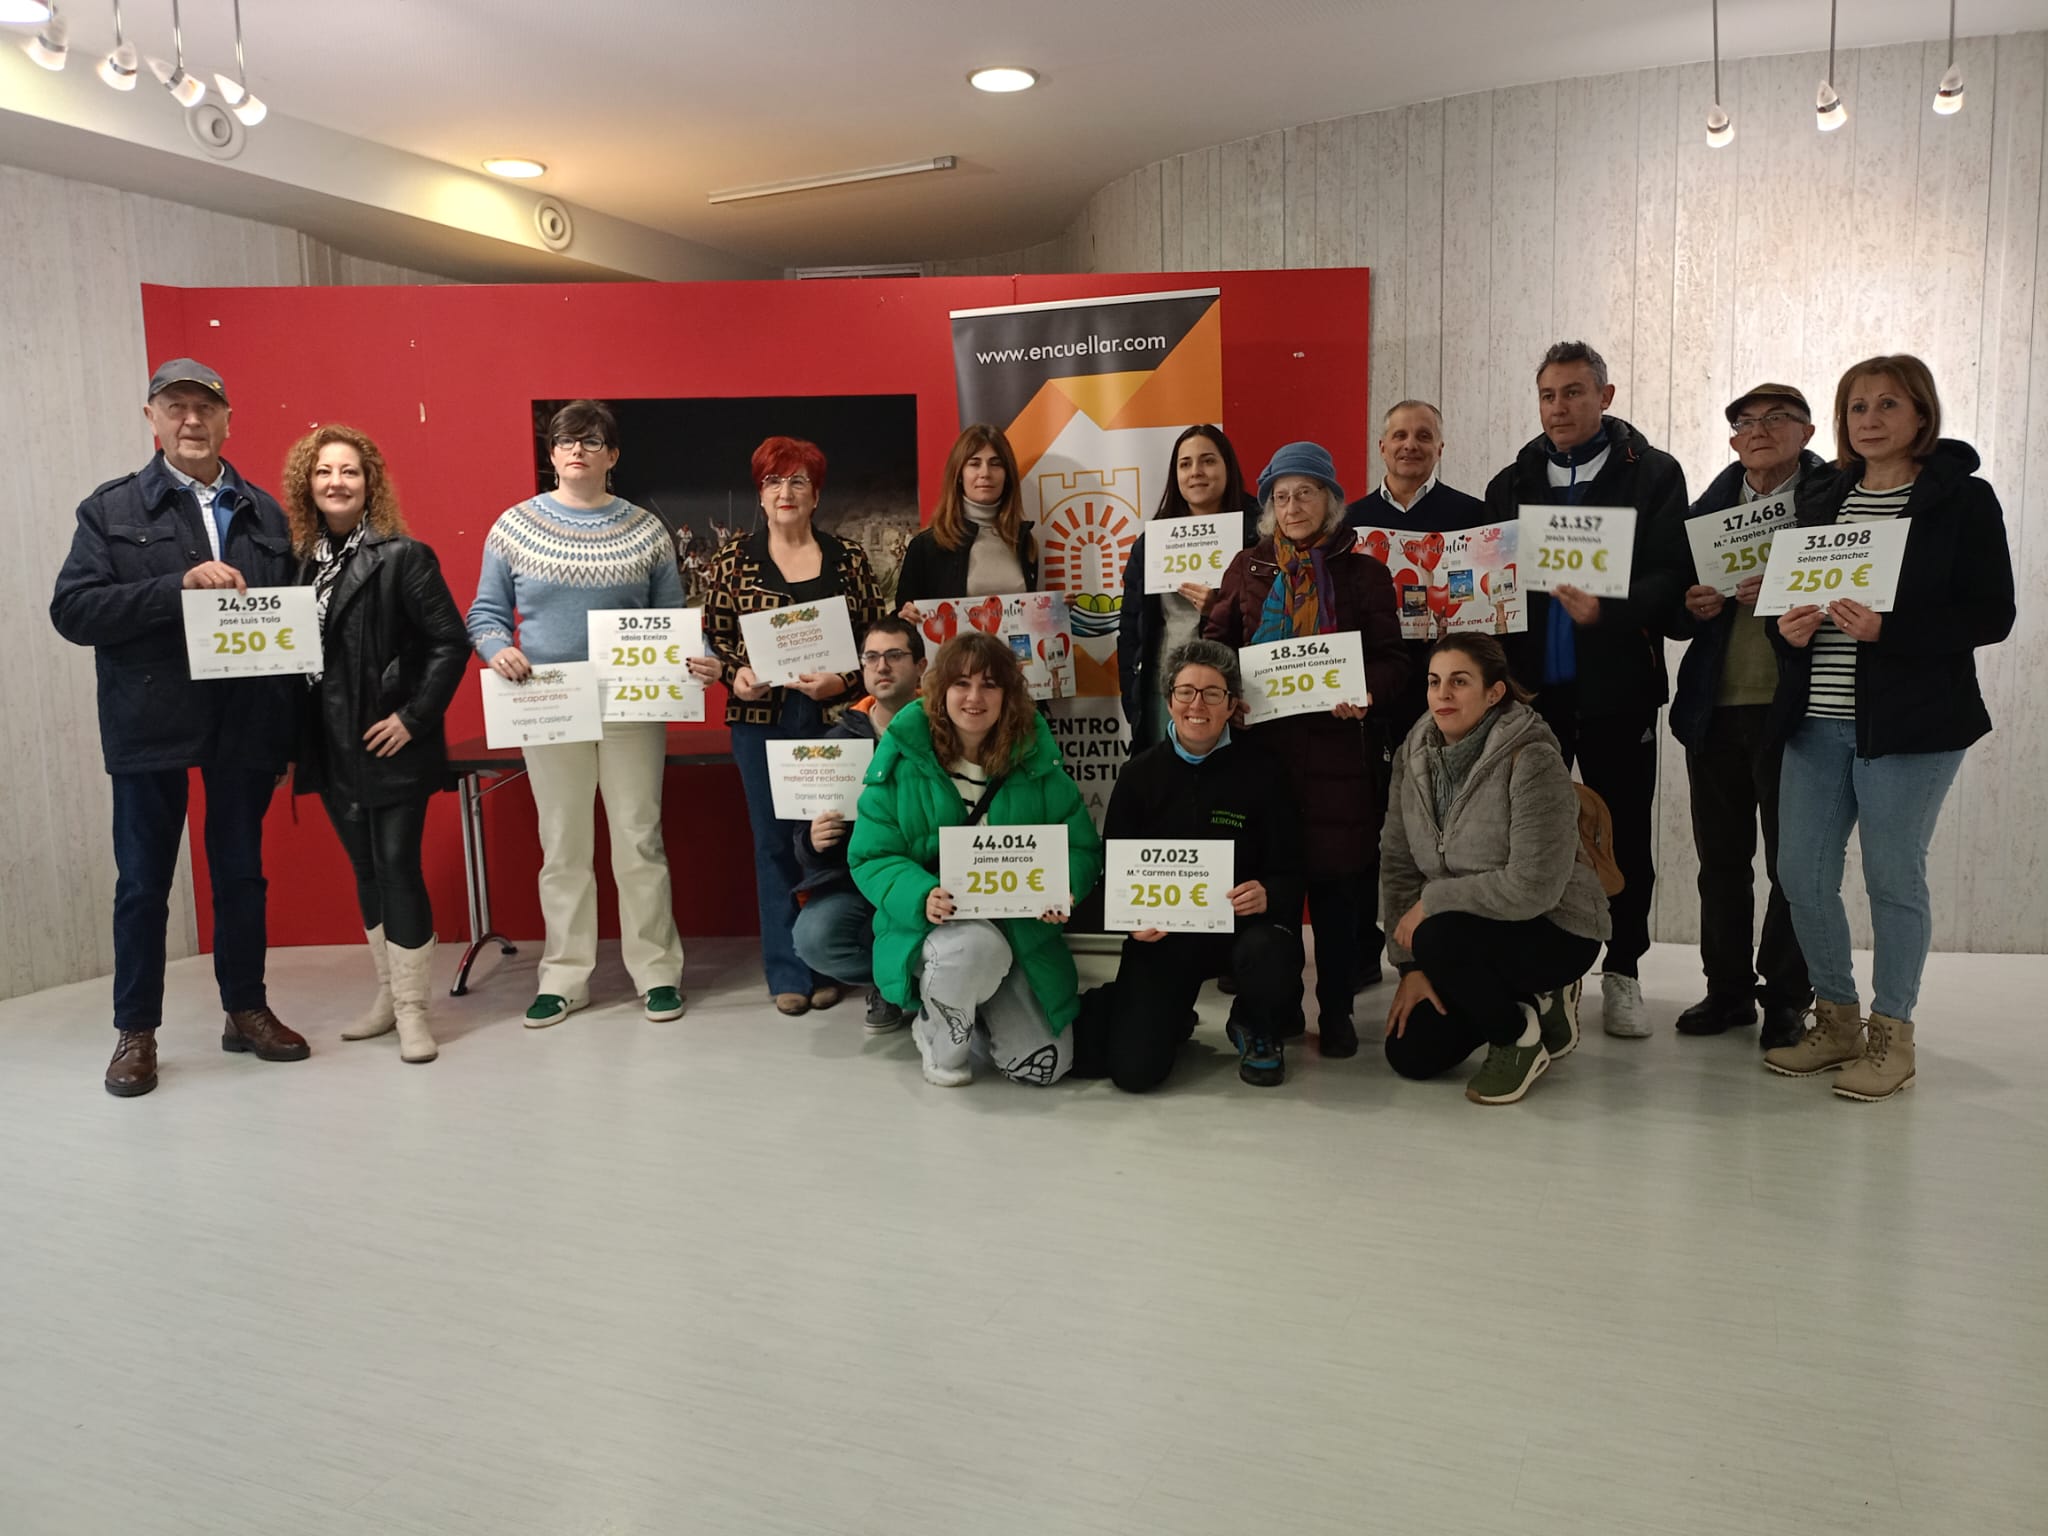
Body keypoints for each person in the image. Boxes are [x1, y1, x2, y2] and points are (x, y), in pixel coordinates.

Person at [50, 358, 308, 1097]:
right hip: (148, 723)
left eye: (206, 407)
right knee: (142, 886)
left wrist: (287, 734)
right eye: (176, 407)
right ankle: (136, 1032)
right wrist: (174, 587)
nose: (192, 419)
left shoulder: (266, 511)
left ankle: (245, 1009)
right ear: (152, 418)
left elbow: (291, 628)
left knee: (241, 877)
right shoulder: (110, 511)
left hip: (245, 726)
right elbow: (74, 612)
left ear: (228, 419)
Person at [1762, 355, 2013, 1101]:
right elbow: (1784, 610)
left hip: (1912, 725)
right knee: (1800, 876)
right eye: (1857, 407)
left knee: (1891, 878)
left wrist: (1889, 630)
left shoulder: (1961, 500)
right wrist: (1790, 631)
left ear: (1921, 415)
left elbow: (1991, 614)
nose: (1869, 420)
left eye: (1887, 406)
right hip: (1815, 720)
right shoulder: (1821, 495)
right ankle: (1835, 1020)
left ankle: (1892, 1034)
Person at [1486, 340, 1689, 1039]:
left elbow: (1671, 578)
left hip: (1618, 690)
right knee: (1531, 835)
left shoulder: (1654, 474)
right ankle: (1546, 970)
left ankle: (1624, 970)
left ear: (1604, 396)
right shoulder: (1511, 480)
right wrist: (1502, 674)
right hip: (1533, 695)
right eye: (1547, 395)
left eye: (1573, 392)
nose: (1559, 407)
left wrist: (1612, 609)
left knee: (1621, 833)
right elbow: (1490, 586)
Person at [467, 399, 688, 1029]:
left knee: (639, 839)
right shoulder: (512, 527)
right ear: (551, 452)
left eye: (592, 441)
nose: (577, 449)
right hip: (548, 703)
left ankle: (657, 972)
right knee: (562, 845)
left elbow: (672, 621)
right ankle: (565, 977)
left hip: (633, 701)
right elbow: (484, 614)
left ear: (612, 456)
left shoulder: (647, 530)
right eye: (566, 439)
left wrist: (696, 658)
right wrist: (497, 648)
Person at [1204, 441, 1408, 1058]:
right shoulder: (1247, 569)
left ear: (1331, 500)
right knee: (1277, 888)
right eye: (1282, 495)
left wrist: (1368, 691)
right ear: (1269, 504)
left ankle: (1339, 1009)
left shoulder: (1365, 572)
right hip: (1264, 757)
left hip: (1341, 757)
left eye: (1306, 493)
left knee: (1342, 889)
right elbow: (1215, 645)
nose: (1293, 506)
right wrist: (1227, 694)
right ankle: (1281, 1004)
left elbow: (1395, 660)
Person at [283, 425, 467, 1065]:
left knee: (397, 870)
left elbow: (451, 642)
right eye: (324, 472)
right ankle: (388, 1000)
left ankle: (417, 1013)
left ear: (370, 484)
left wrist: (414, 718)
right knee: (365, 872)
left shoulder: (403, 556)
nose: (337, 482)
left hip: (391, 745)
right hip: (329, 747)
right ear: (308, 485)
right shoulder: (297, 562)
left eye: (350, 471)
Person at [848, 632, 1103, 1087]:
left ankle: (978, 1011)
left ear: (1008, 695)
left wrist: (1065, 885)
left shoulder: (1038, 764)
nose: (974, 697)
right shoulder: (902, 763)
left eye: (990, 684)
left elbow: (1081, 847)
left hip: (1020, 931)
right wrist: (921, 894)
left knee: (1042, 1067)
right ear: (939, 690)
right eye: (961, 683)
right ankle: (937, 1034)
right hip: (940, 930)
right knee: (973, 951)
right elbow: (872, 855)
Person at [690, 436, 887, 1015]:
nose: (785, 492)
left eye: (797, 481)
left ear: (816, 494)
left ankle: (832, 958)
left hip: (838, 721)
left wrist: (846, 683)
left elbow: (876, 641)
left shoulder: (849, 558)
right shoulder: (731, 561)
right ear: (761, 493)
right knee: (774, 843)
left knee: (838, 835)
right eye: (774, 482)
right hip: (761, 719)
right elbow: (716, 637)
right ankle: (788, 969)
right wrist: (736, 673)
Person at [1381, 636, 1610, 1104]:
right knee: (1411, 1054)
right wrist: (1410, 968)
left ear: (1494, 693)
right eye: (1434, 682)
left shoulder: (1533, 757)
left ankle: (1519, 1035)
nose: (1442, 694)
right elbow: (1398, 860)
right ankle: (1535, 1001)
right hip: (1462, 932)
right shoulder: (1413, 753)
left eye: (1459, 682)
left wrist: (1432, 904)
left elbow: (1534, 887)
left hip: (1554, 927)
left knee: (1438, 935)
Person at [1666, 384, 1821, 1050]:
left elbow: (1862, 586)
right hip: (1714, 708)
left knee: (1796, 866)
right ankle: (1726, 991)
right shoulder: (1708, 512)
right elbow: (1671, 611)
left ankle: (1787, 998)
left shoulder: (1833, 503)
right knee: (1721, 862)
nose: (1759, 431)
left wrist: (1791, 585)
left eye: (1775, 420)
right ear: (1732, 442)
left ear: (1807, 433)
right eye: (1745, 423)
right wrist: (1690, 605)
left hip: (1802, 711)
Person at [1083, 640, 1306, 1091]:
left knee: (1268, 954)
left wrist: (1267, 892)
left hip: (1244, 933)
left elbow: (1294, 869)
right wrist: (1130, 920)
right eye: (1185, 692)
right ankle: (1168, 1013)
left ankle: (1254, 1021)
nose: (1197, 705)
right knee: (1133, 1074)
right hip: (1167, 937)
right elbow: (1115, 872)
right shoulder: (1138, 775)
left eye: (1212, 693)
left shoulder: (1265, 771)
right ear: (1168, 701)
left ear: (1232, 705)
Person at [790, 615, 928, 1034]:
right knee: (814, 936)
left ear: (921, 666)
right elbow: (801, 841)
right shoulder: (837, 744)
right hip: (861, 885)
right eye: (871, 657)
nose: (881, 666)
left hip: (934, 876)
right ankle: (893, 983)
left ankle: (943, 982)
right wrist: (813, 841)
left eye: (894, 656)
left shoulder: (947, 729)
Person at [1343, 400, 1488, 744]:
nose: (1410, 445)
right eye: (1400, 435)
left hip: (1451, 682)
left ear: (1440, 448)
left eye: (1424, 436)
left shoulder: (1474, 516)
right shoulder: (1350, 521)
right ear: (1383, 447)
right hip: (1377, 679)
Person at [1118, 424, 1259, 748]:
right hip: (1165, 691)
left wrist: (1219, 609)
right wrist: (1134, 701)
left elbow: (1276, 621)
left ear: (1227, 467)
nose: (1196, 472)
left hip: (1233, 695)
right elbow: (1130, 630)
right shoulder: (1151, 543)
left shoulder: (1259, 537)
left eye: (1208, 461)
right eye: (1185, 464)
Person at [893, 424, 1035, 618]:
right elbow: (902, 625)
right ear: (959, 474)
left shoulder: (1023, 540)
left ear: (1007, 475)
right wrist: (907, 617)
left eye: (996, 463)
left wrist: (1053, 612)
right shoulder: (926, 547)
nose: (985, 473)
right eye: (974, 463)